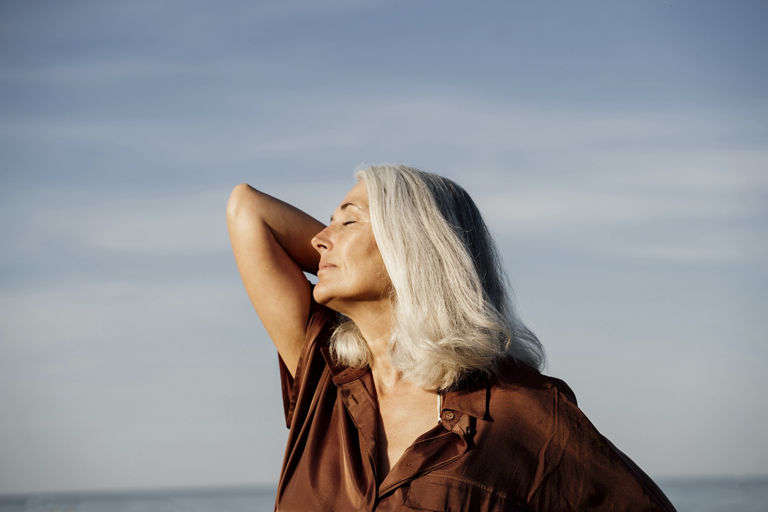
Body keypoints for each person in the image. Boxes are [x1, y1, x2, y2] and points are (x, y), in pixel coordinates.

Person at [226, 164, 676, 511]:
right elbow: (247, 208)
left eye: (348, 222)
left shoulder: (520, 409)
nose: (320, 240)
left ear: (413, 244)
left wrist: (397, 264)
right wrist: (349, 254)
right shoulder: (326, 377)